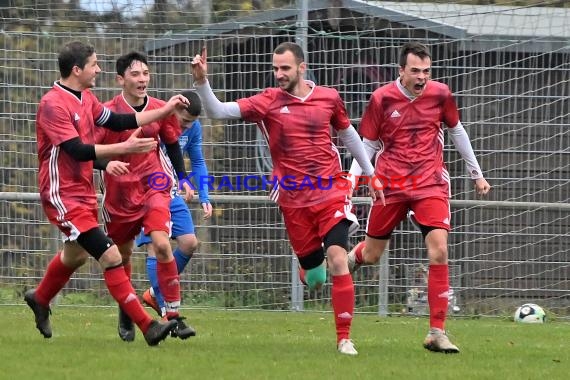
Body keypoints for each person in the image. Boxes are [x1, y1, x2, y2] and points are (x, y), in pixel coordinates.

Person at [191, 42, 380, 356]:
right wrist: (201, 81)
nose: (279, 74)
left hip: (331, 190)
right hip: (294, 200)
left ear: (302, 67)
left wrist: (369, 174)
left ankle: (344, 339)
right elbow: (217, 111)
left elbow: (347, 134)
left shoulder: (329, 97)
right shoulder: (267, 101)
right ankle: (315, 270)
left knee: (336, 257)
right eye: (275, 68)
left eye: (285, 68)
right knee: (318, 278)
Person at [27, 41, 189, 345]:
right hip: (62, 194)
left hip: (83, 191)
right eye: (94, 64)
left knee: (74, 256)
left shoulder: (86, 97)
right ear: (77, 70)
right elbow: (76, 150)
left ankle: (40, 297)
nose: (99, 69)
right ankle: (147, 326)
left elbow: (117, 120)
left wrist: (164, 110)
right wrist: (123, 149)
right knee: (112, 256)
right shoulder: (53, 104)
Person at [346, 41, 491, 354]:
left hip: (431, 184)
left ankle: (437, 332)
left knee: (439, 251)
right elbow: (367, 144)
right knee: (372, 255)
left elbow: (457, 132)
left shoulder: (441, 94)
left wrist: (476, 174)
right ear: (402, 71)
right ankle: (350, 259)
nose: (422, 77)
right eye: (415, 71)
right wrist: (353, 178)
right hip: (391, 184)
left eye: (426, 71)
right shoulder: (381, 98)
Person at [95, 51, 196, 342]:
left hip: (155, 185)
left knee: (163, 245)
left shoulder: (161, 109)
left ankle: (173, 316)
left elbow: (173, 144)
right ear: (120, 79)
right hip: (119, 194)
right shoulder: (106, 114)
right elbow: (89, 152)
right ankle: (127, 310)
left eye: (145, 74)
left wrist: (184, 179)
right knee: (122, 256)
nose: (142, 80)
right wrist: (107, 162)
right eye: (135, 74)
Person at [136, 90, 213, 318]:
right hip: (147, 193)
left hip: (172, 192)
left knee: (189, 243)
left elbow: (198, 161)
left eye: (192, 123)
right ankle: (166, 310)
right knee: (157, 247)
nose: (187, 127)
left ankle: (155, 292)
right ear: (174, 110)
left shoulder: (192, 129)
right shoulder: (154, 121)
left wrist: (204, 196)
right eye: (185, 121)